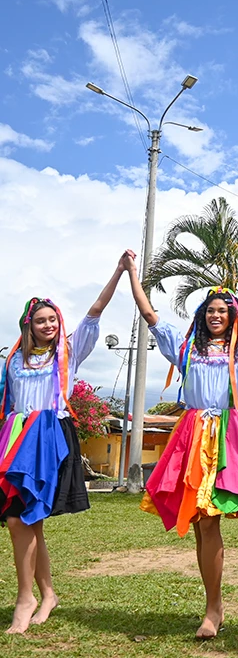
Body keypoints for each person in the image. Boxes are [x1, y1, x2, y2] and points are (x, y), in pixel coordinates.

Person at [124, 254, 238, 640]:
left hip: (226, 437)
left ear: (233, 316)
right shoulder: (186, 347)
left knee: (209, 521)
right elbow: (150, 314)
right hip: (191, 435)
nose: (215, 315)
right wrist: (132, 274)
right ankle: (214, 605)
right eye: (210, 310)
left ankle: (213, 608)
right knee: (202, 526)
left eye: (222, 310)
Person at [0, 252, 131, 634]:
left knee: (18, 517)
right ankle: (46, 594)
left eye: (52, 319)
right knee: (28, 520)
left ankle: (26, 599)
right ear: (29, 325)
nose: (48, 325)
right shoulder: (14, 360)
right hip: (14, 438)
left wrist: (119, 272)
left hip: (47, 439)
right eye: (40, 320)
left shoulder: (68, 353)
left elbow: (94, 312)